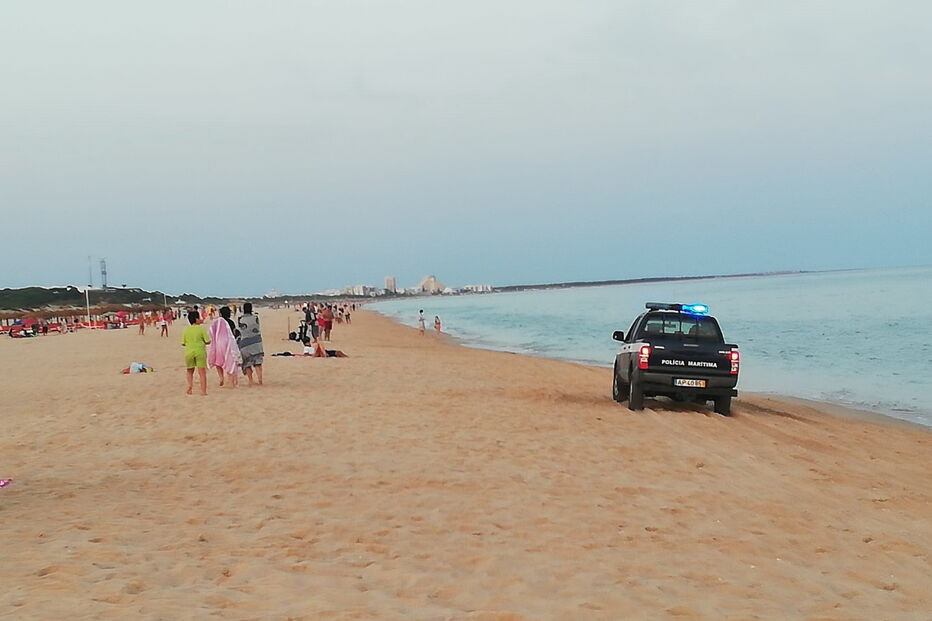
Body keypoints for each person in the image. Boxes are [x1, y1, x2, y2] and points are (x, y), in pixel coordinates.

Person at [208, 309, 242, 388]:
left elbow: (211, 331)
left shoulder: (217, 322)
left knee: (218, 361)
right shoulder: (231, 322)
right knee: (230, 361)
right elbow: (234, 333)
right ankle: (231, 382)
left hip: (219, 343)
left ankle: (221, 378)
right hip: (228, 343)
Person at [181, 310, 211, 395]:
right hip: (200, 351)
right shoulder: (201, 329)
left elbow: (183, 343)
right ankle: (203, 391)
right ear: (196, 319)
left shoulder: (186, 330)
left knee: (190, 371)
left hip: (189, 352)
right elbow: (208, 341)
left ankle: (190, 387)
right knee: (202, 373)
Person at [237, 302, 264, 386]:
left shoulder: (240, 319)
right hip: (256, 341)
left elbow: (239, 330)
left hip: (245, 343)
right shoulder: (256, 317)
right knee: (258, 362)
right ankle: (260, 379)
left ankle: (250, 380)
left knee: (247, 363)